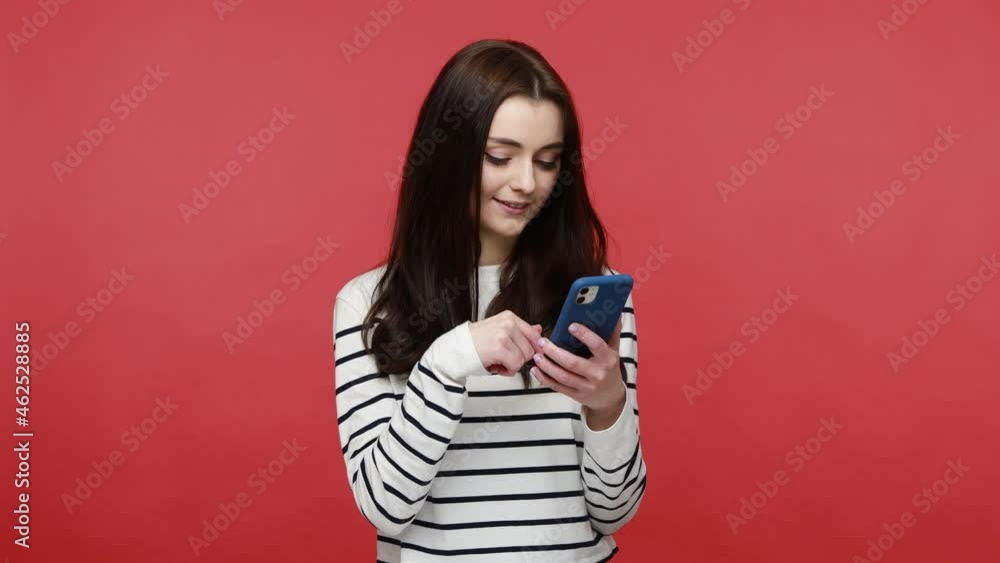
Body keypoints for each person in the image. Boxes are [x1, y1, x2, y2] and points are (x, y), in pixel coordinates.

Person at [333, 38, 646, 562]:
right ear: (449, 154)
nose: (526, 183)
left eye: (547, 162)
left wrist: (609, 404)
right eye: (500, 157)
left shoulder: (591, 291)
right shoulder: (369, 304)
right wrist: (450, 358)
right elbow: (385, 508)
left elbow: (615, 512)